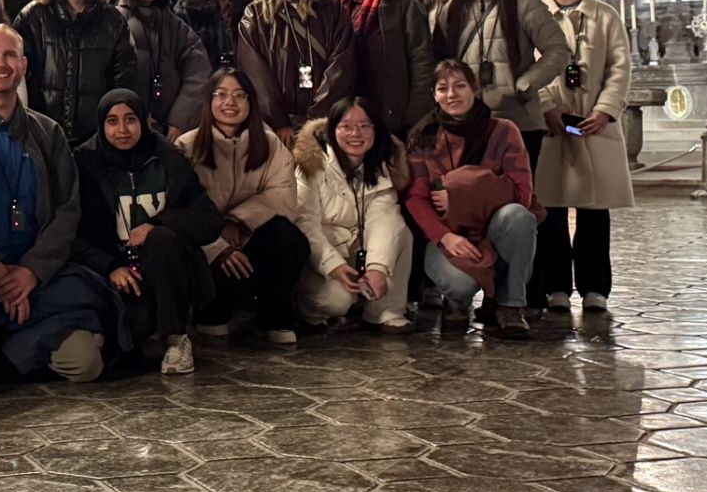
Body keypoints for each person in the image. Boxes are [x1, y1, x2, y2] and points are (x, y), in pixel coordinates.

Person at [0, 27, 124, 385]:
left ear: (23, 66)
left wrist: (30, 272)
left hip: (39, 274)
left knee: (85, 365)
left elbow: (68, 212)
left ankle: (10, 345)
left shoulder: (48, 132)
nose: (1, 64)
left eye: (10, 55)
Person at [74, 89, 220, 374]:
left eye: (130, 119)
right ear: (101, 125)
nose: (122, 130)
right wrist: (111, 266)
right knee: (129, 332)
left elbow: (210, 220)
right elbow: (74, 233)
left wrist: (157, 224)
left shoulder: (169, 159)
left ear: (143, 121)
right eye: (112, 121)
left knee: (162, 239)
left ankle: (177, 340)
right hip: (113, 275)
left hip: (165, 273)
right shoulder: (84, 165)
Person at [531, 0, 634, 314]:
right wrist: (546, 108)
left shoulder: (605, 16)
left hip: (593, 122)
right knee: (551, 209)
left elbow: (620, 67)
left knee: (594, 208)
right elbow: (525, 67)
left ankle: (595, 287)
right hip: (553, 123)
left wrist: (605, 110)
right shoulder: (532, 13)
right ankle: (556, 285)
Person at [406, 60, 542, 340]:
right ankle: (456, 303)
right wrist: (445, 237)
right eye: (442, 88)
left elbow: (521, 192)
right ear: (434, 94)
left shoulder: (504, 131)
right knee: (460, 283)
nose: (451, 94)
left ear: (474, 89)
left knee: (518, 217)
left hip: (494, 230)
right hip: (450, 234)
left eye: (460, 86)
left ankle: (510, 305)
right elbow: (416, 200)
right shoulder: (424, 138)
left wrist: (458, 189)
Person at [179, 69, 308, 345]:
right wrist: (218, 246)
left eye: (240, 95)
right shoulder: (187, 146)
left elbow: (283, 196)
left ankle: (273, 315)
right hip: (207, 248)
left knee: (289, 238)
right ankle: (211, 314)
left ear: (251, 103)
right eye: (221, 95)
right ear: (209, 101)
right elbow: (180, 208)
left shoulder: (270, 144)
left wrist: (237, 221)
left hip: (250, 238)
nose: (230, 103)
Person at [434, 0, 568, 168]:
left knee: (517, 197)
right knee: (476, 194)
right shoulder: (451, 4)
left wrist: (525, 84)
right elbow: (441, 57)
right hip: (468, 120)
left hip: (518, 118)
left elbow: (557, 50)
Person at [291, 98, 412, 332]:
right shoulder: (311, 164)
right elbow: (305, 224)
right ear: (332, 129)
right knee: (337, 301)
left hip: (361, 249)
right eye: (346, 126)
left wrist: (377, 267)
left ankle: (385, 310)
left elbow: (384, 216)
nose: (356, 133)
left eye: (365, 125)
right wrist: (334, 265)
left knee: (401, 232)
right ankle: (309, 310)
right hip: (326, 253)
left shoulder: (382, 162)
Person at [14, 0, 137, 145]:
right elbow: (19, 78)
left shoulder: (111, 20)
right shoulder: (33, 16)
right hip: (41, 134)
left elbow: (123, 81)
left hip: (96, 138)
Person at [238, 0, 354, 146]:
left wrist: (314, 122)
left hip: (324, 125)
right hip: (275, 129)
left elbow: (341, 66)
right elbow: (255, 72)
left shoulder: (332, 10)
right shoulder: (256, 14)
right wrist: (279, 120)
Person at [339, 0, 434, 142]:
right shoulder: (341, 3)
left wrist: (413, 120)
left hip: (391, 117)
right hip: (349, 113)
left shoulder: (405, 3)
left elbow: (422, 63)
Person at [118, 0, 210, 141]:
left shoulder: (174, 25)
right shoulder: (114, 21)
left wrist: (179, 120)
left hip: (170, 129)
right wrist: (135, 113)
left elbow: (198, 71)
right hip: (125, 124)